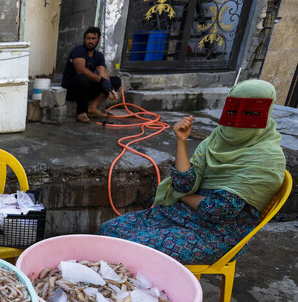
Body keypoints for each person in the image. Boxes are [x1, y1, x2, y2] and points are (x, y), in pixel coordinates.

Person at [98, 79, 286, 265]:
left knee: (131, 251)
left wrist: (182, 197)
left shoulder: (266, 158)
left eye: (249, 113)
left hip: (217, 234)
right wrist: (181, 140)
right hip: (182, 214)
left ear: (266, 113)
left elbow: (218, 211)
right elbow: (183, 184)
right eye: (232, 110)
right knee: (109, 230)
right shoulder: (217, 139)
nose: (237, 121)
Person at [61, 26, 121, 123]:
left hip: (86, 90)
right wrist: (102, 81)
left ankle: (92, 107)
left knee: (115, 81)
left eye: (93, 39)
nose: (90, 41)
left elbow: (103, 73)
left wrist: (109, 88)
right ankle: (81, 113)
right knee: (83, 77)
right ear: (84, 39)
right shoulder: (79, 50)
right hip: (72, 90)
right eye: (88, 38)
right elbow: (80, 70)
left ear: (98, 40)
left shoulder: (98, 55)